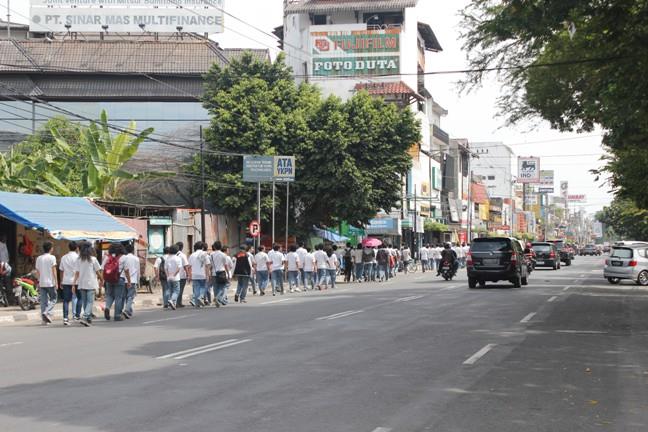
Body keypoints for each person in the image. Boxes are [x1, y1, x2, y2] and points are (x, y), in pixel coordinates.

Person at [73, 241, 102, 327]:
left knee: (85, 302)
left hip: (81, 283)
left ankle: (88, 319)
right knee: (90, 302)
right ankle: (85, 316)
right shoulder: (93, 259)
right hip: (91, 283)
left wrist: (74, 283)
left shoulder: (78, 259)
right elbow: (98, 271)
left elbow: (77, 273)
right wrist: (102, 279)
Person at [102, 243, 131, 321]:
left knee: (109, 295)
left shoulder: (108, 257)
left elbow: (103, 268)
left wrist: (102, 279)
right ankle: (117, 315)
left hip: (109, 279)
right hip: (119, 279)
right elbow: (126, 270)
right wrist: (129, 281)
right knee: (118, 297)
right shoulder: (124, 258)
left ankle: (107, 307)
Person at [35, 241, 58, 325]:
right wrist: (56, 282)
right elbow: (54, 270)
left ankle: (43, 320)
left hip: (42, 282)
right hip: (50, 282)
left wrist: (38, 281)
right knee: (54, 299)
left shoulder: (39, 258)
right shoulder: (52, 257)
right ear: (51, 248)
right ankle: (46, 312)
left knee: (43, 301)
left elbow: (37, 272)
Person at [59, 241, 79, 325]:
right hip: (77, 281)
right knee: (78, 298)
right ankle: (76, 316)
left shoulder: (64, 257)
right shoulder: (78, 257)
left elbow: (61, 270)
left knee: (66, 300)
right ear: (77, 248)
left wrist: (61, 280)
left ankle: (65, 318)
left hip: (66, 281)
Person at [188, 241, 209, 307]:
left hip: (194, 274)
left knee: (196, 289)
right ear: (202, 247)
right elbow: (207, 265)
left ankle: (197, 303)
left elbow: (189, 266)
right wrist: (207, 274)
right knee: (204, 287)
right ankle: (201, 296)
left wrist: (189, 275)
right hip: (202, 274)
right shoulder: (205, 254)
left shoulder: (192, 255)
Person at [210, 241, 230, 306]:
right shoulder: (223, 255)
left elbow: (210, 265)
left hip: (214, 272)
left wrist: (210, 273)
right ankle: (217, 298)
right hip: (222, 272)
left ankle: (217, 301)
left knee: (215, 288)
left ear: (214, 247)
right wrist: (228, 273)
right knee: (223, 287)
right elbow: (225, 265)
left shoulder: (211, 254)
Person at [122, 244, 140, 319]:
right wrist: (138, 280)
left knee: (126, 296)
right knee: (130, 297)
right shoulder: (136, 259)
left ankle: (129, 311)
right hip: (132, 280)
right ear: (133, 250)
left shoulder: (124, 258)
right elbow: (138, 270)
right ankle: (126, 310)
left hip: (124, 279)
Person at [163, 244, 182, 310]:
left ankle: (173, 304)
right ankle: (172, 300)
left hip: (168, 277)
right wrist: (174, 275)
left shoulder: (167, 258)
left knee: (170, 290)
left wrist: (168, 275)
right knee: (176, 291)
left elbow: (165, 268)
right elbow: (178, 268)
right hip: (175, 277)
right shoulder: (178, 258)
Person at [175, 242, 190, 308]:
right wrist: (187, 274)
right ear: (182, 247)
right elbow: (186, 266)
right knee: (180, 290)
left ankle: (177, 302)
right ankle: (178, 303)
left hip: (174, 275)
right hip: (182, 275)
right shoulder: (183, 255)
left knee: (175, 290)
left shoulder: (173, 255)